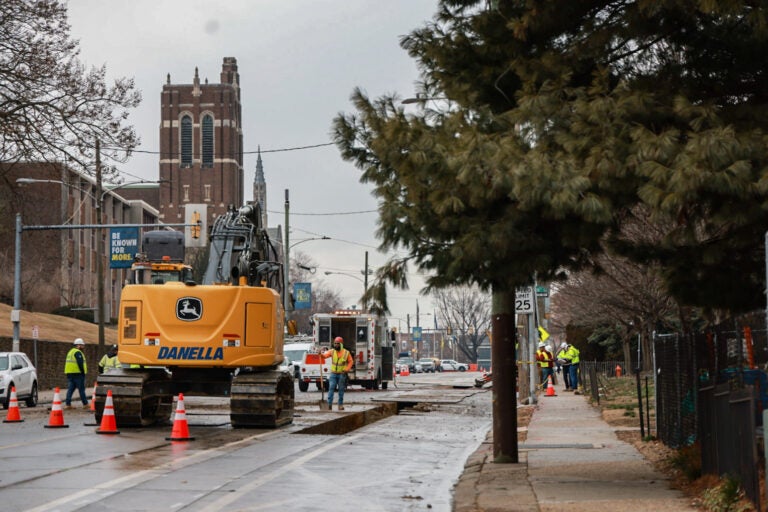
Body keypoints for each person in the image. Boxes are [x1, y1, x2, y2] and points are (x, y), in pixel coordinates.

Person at [322, 336, 353, 410]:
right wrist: (320, 354)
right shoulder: (332, 351)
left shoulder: (346, 353)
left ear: (341, 344)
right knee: (331, 387)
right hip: (333, 373)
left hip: (342, 374)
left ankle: (340, 405)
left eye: (337, 344)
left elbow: (351, 362)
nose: (335, 345)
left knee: (341, 390)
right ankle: (329, 405)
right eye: (335, 343)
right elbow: (324, 356)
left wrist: (346, 369)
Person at [65, 337, 89, 409]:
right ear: (78, 345)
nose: (83, 347)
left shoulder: (70, 352)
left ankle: (68, 404)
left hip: (70, 373)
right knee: (81, 389)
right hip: (78, 374)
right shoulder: (78, 352)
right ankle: (85, 404)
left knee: (70, 389)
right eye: (82, 345)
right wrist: (83, 372)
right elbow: (80, 363)